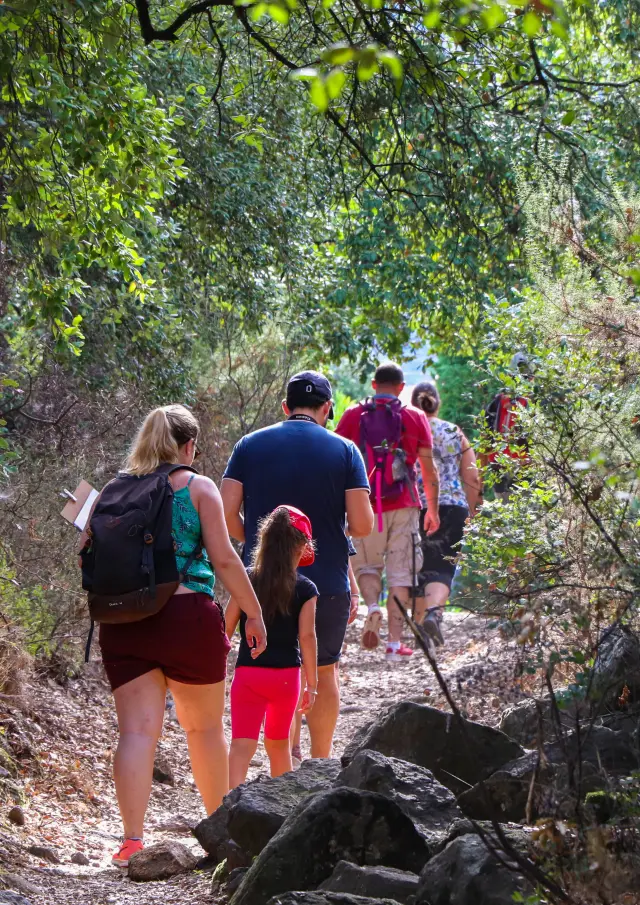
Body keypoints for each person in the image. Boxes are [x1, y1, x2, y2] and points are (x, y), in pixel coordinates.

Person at [81, 405, 266, 868]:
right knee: (203, 730)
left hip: (123, 623)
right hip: (187, 619)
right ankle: (223, 836)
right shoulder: (198, 486)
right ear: (188, 446)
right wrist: (254, 613)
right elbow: (225, 560)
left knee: (137, 733)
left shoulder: (113, 490)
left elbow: (88, 552)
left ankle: (131, 842)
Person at [221, 371, 373, 759]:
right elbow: (362, 524)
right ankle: (320, 761)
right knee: (324, 669)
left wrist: (261, 547)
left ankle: (284, 759)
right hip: (325, 580)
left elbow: (225, 514)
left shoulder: (248, 446)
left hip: (260, 584)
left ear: (285, 408)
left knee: (276, 667)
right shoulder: (345, 451)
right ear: (325, 409)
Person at [335, 362, 440, 662]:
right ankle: (394, 644)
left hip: (364, 502)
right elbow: (428, 470)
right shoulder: (415, 416)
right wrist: (432, 508)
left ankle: (372, 607)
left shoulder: (354, 415)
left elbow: (338, 460)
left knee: (367, 567)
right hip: (404, 503)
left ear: (373, 384)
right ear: (401, 387)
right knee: (401, 574)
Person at [225, 506, 318, 785]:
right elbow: (308, 637)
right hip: (287, 678)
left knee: (241, 745)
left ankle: (227, 808)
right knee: (279, 746)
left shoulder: (247, 580)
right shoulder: (306, 589)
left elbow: (226, 626)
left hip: (248, 675)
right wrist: (311, 684)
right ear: (302, 547)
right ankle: (282, 814)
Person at [411, 381, 482, 647]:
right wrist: (474, 511)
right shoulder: (454, 432)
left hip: (416, 505)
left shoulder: (409, 429)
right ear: (437, 403)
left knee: (419, 566)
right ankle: (434, 614)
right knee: (442, 566)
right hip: (453, 507)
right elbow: (471, 476)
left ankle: (420, 627)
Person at [482, 352, 532, 500]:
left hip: (500, 467)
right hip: (524, 468)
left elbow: (484, 442)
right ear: (530, 377)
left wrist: (479, 481)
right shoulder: (533, 403)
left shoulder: (496, 403)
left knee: (506, 513)